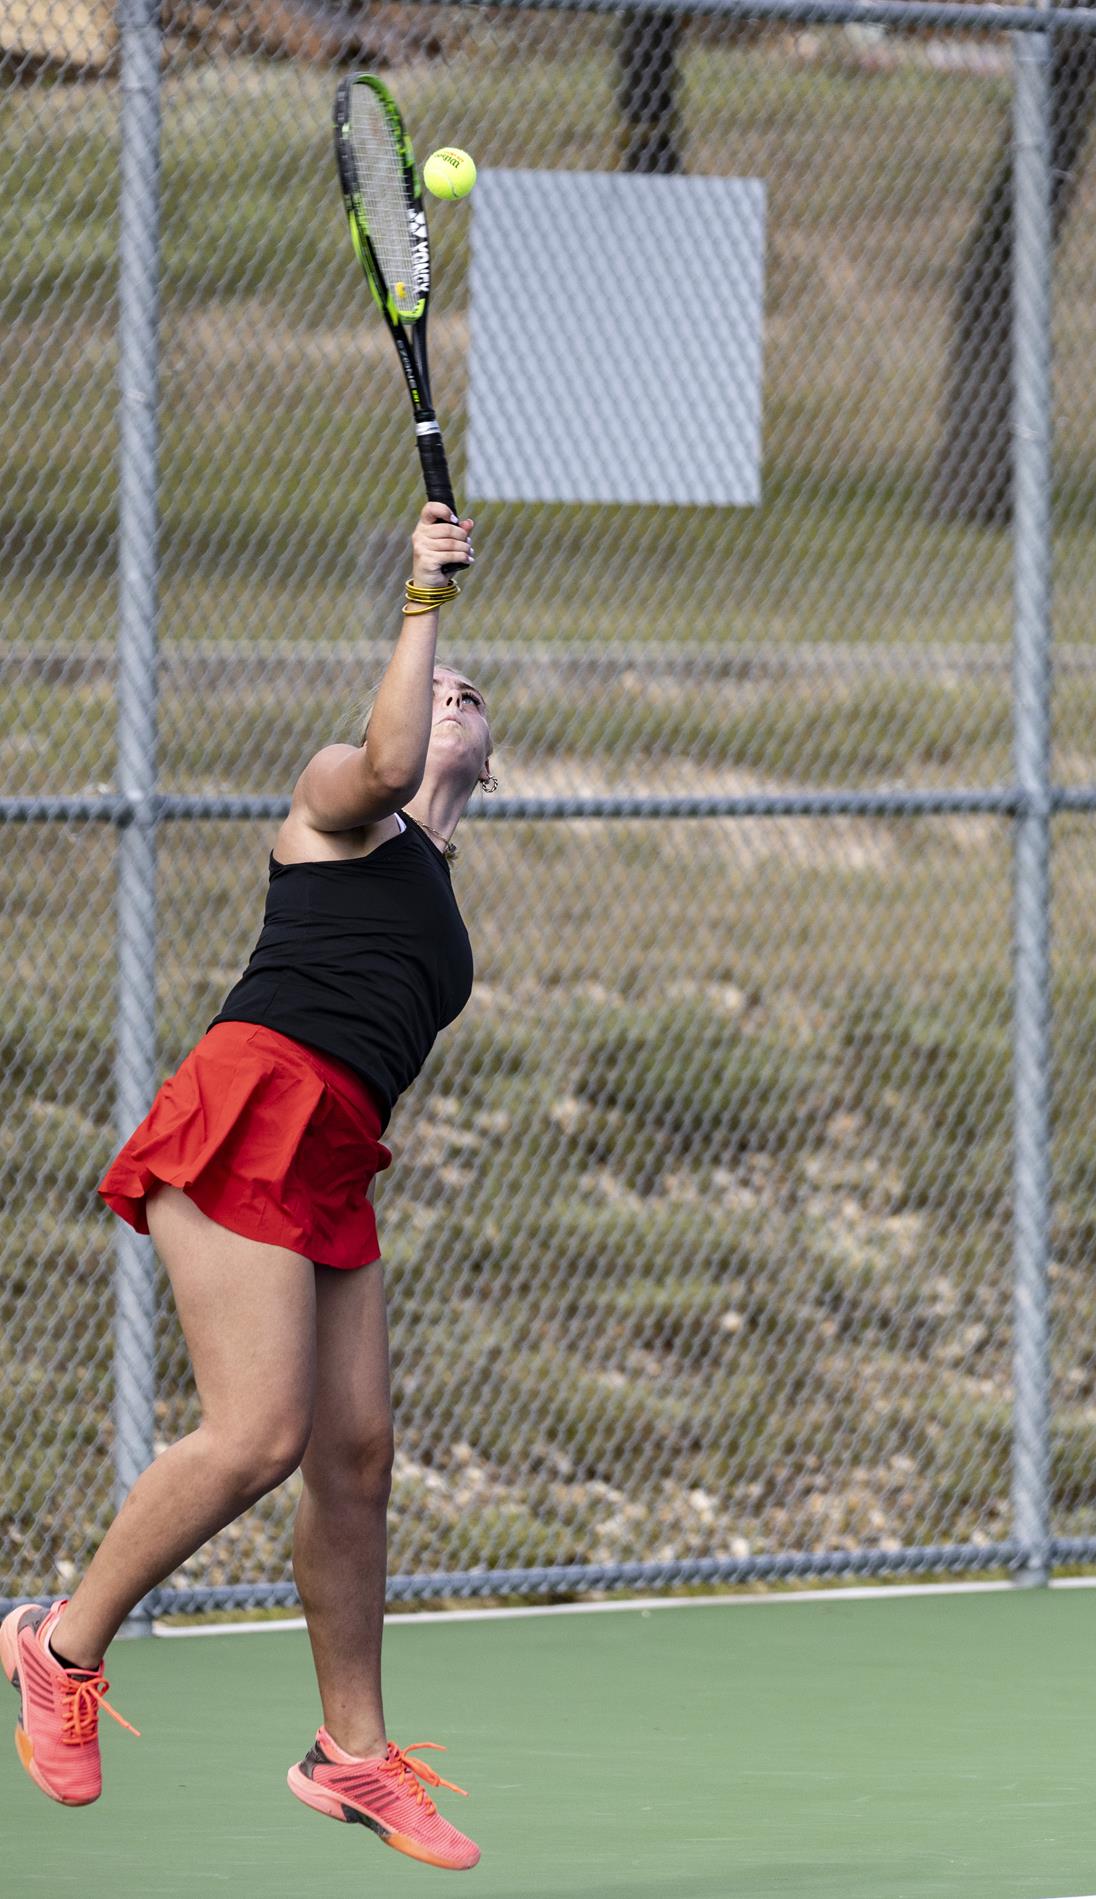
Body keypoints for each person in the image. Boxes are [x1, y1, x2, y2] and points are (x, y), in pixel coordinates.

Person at [0, 503, 492, 1872]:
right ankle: (59, 1644)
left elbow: (426, 769)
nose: (453, 693)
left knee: (357, 1461)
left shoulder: (440, 889)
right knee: (257, 1436)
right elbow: (392, 753)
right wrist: (418, 597)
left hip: (333, 1148)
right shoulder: (341, 797)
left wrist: (429, 649)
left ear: (491, 766)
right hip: (249, 1106)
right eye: (437, 684)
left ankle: (352, 1754)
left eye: (473, 698)